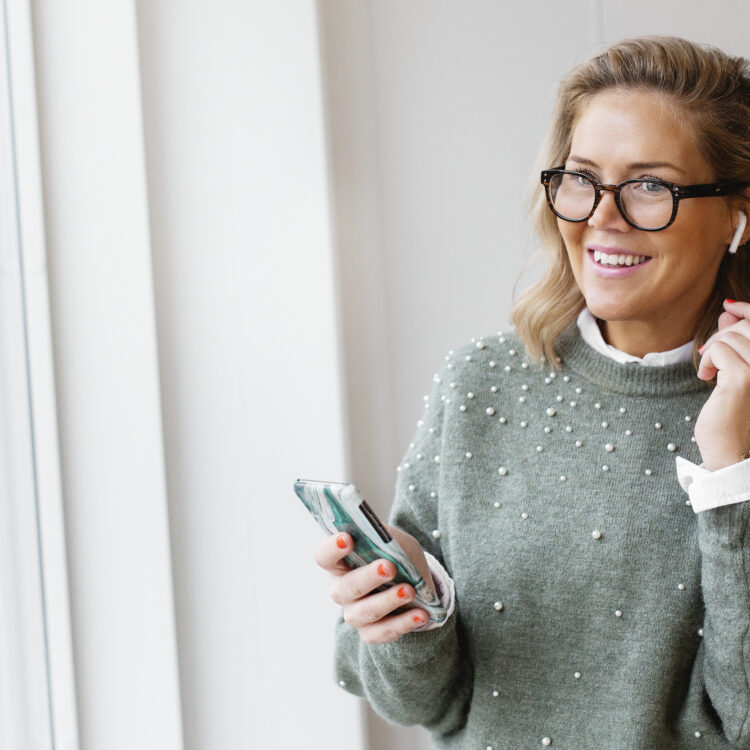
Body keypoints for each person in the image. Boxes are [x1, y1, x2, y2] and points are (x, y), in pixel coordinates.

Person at [314, 36, 750, 748]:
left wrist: (732, 473)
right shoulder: (478, 383)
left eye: (648, 186)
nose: (601, 217)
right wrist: (411, 615)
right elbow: (417, 703)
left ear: (738, 215)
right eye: (581, 179)